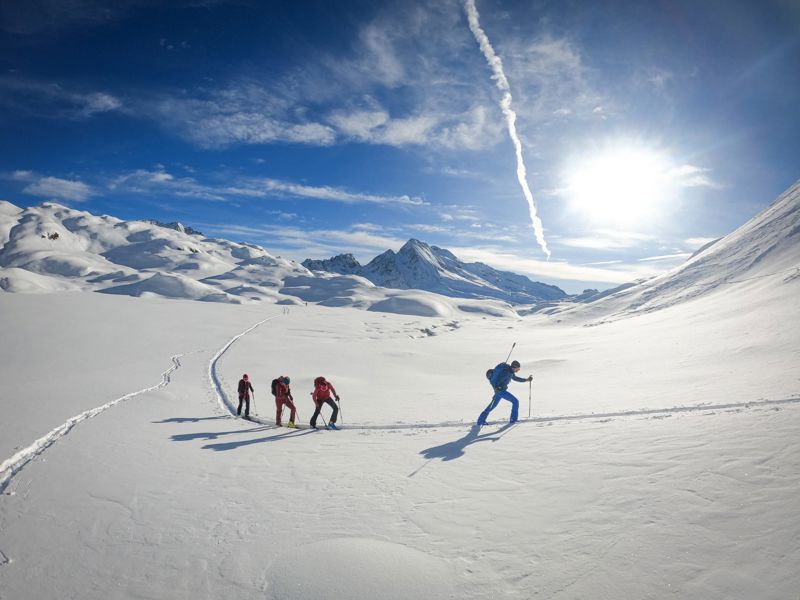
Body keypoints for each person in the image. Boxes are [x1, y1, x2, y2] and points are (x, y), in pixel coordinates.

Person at [477, 360, 532, 426]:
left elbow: (516, 378)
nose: (518, 370)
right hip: (501, 391)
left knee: (492, 406)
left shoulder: (510, 371)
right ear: (514, 367)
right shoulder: (506, 372)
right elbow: (498, 380)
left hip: (499, 391)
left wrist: (526, 380)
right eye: (518, 369)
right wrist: (497, 388)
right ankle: (513, 420)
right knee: (515, 401)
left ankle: (481, 420)